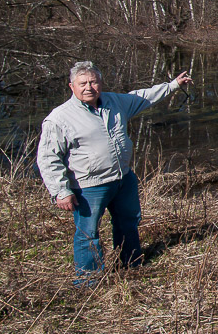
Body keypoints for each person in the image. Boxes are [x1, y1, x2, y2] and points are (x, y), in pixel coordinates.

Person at [36, 60, 192, 285]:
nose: (89, 87)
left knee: (128, 222)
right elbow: (48, 157)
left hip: (123, 178)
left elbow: (143, 97)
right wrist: (61, 191)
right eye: (82, 83)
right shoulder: (60, 118)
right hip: (88, 186)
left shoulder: (114, 102)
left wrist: (173, 85)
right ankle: (89, 281)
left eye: (93, 82)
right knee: (88, 233)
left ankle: (131, 264)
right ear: (72, 87)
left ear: (100, 83)